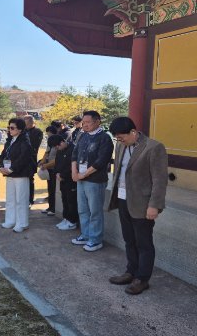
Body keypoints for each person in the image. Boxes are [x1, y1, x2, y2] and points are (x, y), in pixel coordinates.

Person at [107, 117, 168, 295]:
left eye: (122, 137)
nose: (120, 141)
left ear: (133, 132)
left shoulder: (154, 147)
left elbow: (160, 180)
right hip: (123, 199)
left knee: (144, 243)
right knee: (129, 239)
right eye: (117, 138)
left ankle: (142, 279)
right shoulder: (120, 146)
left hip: (142, 203)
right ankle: (131, 271)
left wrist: (154, 205)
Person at [71, 110, 114, 252]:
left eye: (88, 122)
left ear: (97, 122)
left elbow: (101, 161)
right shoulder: (83, 135)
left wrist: (84, 174)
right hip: (80, 178)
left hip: (95, 180)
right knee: (82, 209)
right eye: (83, 122)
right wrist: (74, 172)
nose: (85, 125)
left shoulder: (104, 138)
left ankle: (95, 240)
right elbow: (74, 155)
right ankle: (85, 235)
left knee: (95, 211)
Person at [0, 117, 36, 233]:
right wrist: (1, 166)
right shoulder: (10, 140)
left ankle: (22, 223)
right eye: (8, 127)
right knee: (10, 198)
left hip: (21, 174)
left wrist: (11, 169)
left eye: (12, 128)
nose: (9, 130)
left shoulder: (25, 141)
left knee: (21, 200)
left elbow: (24, 157)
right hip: (10, 173)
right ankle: (10, 220)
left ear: (20, 129)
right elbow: (3, 154)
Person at [49, 134, 79, 230]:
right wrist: (57, 173)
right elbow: (57, 163)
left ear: (62, 142)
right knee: (64, 199)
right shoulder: (60, 150)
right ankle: (66, 218)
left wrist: (62, 175)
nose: (57, 148)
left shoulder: (73, 149)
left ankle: (72, 221)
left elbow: (72, 166)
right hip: (62, 180)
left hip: (71, 180)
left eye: (57, 146)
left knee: (71, 201)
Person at [23, 115, 43, 205]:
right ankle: (23, 199)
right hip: (21, 159)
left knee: (30, 180)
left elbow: (34, 146)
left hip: (31, 159)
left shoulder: (37, 132)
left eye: (26, 123)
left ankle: (30, 200)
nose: (25, 125)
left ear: (32, 122)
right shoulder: (23, 131)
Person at [40, 126, 58, 215]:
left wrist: (46, 165)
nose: (48, 136)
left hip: (55, 169)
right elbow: (46, 153)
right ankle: (50, 207)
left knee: (54, 190)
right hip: (48, 170)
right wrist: (42, 162)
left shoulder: (58, 143)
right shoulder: (49, 143)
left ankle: (54, 209)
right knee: (50, 189)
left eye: (49, 134)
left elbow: (57, 159)